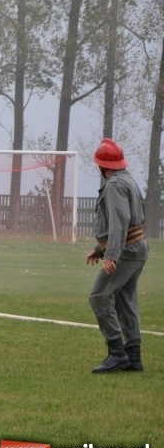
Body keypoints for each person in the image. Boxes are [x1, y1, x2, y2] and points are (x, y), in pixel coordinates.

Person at [86, 138, 148, 374]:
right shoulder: (129, 180)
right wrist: (100, 249)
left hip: (126, 250)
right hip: (138, 247)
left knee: (99, 296)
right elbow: (133, 221)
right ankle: (133, 357)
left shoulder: (113, 186)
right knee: (125, 300)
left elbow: (120, 222)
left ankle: (117, 353)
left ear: (102, 165)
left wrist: (110, 254)